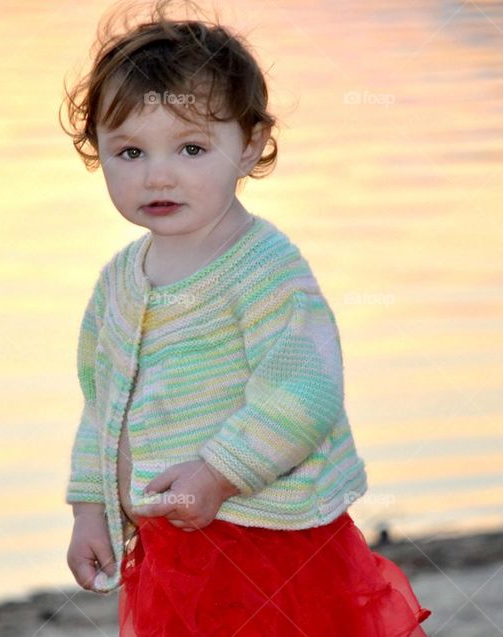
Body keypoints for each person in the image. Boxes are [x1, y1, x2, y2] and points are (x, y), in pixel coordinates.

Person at [60, 1, 432, 634]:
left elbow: (305, 392)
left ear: (250, 144)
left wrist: (218, 474)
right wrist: (91, 508)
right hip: (173, 549)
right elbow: (103, 406)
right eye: (129, 153)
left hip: (271, 542)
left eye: (192, 147)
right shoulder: (119, 283)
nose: (159, 174)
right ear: (97, 149)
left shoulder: (262, 269)